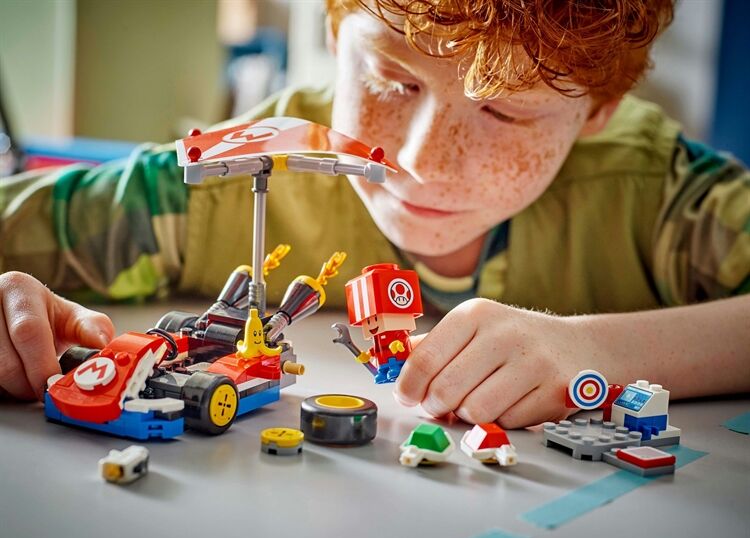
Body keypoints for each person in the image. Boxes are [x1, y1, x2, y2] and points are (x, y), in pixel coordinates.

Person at [1, 0, 748, 427]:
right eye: (393, 80)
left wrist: (605, 352)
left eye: (506, 112)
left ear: (599, 112)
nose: (425, 158)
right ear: (335, 37)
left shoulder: (660, 193)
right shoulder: (241, 168)